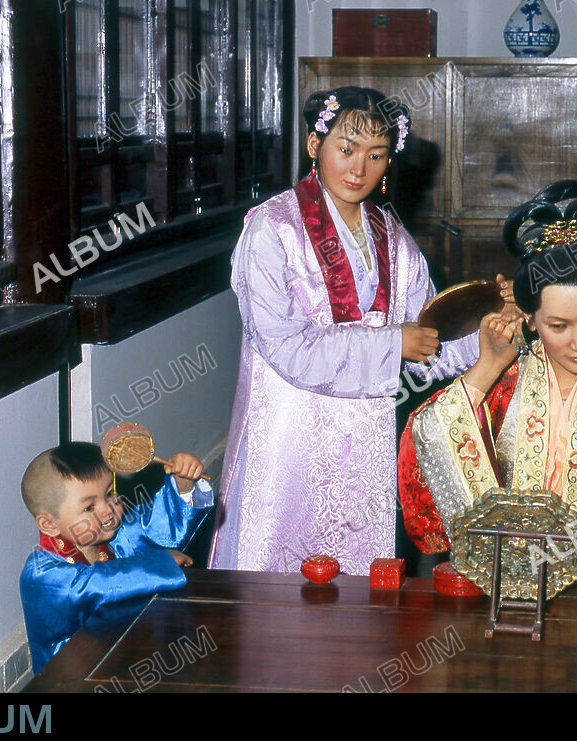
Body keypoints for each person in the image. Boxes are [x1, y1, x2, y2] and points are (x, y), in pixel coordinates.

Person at [208, 86, 495, 576]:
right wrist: (391, 342)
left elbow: (426, 341)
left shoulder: (394, 238)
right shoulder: (271, 230)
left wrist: (485, 332)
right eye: (346, 149)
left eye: (377, 154)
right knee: (276, 576)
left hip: (364, 441)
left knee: (358, 580)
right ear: (314, 144)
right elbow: (287, 347)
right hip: (287, 437)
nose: (359, 169)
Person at [398, 181, 577, 560]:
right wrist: (489, 365)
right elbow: (427, 435)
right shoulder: (508, 381)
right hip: (503, 580)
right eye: (559, 326)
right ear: (530, 318)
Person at [19, 442, 213, 673]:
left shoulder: (114, 539)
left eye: (110, 494)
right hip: (72, 681)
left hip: (124, 662)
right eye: (89, 507)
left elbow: (154, 527)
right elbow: (93, 585)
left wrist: (184, 484)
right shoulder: (41, 574)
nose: (108, 510)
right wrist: (160, 563)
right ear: (49, 524)